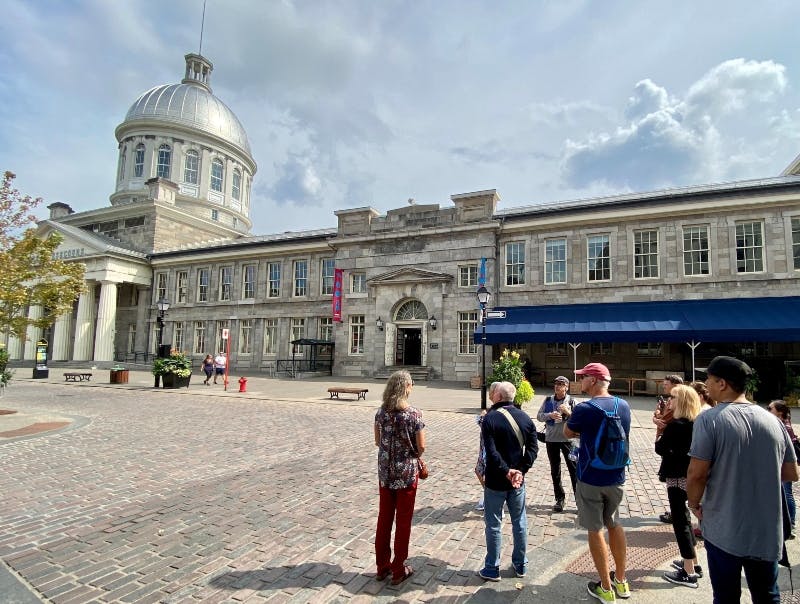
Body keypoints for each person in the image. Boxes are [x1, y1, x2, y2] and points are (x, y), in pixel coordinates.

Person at [687, 356, 798, 604]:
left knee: (726, 596)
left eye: (709, 379)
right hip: (766, 530)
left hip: (725, 527)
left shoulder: (710, 419)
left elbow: (697, 473)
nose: (706, 384)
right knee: (768, 596)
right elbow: (792, 473)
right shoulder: (773, 421)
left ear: (722, 384)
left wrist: (693, 504)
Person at [565, 362, 631, 602]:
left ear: (593, 380)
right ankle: (621, 581)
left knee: (595, 529)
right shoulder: (622, 405)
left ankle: (605, 586)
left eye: (583, 377)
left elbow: (568, 433)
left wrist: (569, 418)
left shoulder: (585, 408)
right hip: (616, 475)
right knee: (615, 523)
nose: (580, 381)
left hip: (590, 476)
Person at [477, 381, 538, 582]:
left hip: (496, 479)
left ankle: (492, 568)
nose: (491, 395)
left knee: (494, 524)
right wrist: (521, 471)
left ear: (500, 397)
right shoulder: (525, 418)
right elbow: (532, 449)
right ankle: (520, 564)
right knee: (519, 521)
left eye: (494, 393)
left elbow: (491, 452)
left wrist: (506, 471)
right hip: (517, 481)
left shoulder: (490, 419)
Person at [374, 370, 426, 585]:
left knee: (384, 519)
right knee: (403, 521)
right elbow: (421, 446)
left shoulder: (380, 413)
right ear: (406, 387)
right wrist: (414, 454)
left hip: (386, 473)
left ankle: (382, 566)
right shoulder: (413, 414)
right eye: (411, 384)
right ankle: (398, 569)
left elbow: (377, 441)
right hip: (406, 474)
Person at [656, 384, 703, 588]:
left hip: (676, 475)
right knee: (684, 517)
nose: (669, 401)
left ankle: (689, 573)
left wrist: (660, 430)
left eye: (673, 398)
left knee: (680, 521)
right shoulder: (697, 422)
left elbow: (660, 448)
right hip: (690, 475)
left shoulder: (677, 424)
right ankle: (693, 561)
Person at [536, 375, 577, 512]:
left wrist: (568, 412)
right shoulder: (548, 400)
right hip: (551, 440)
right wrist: (550, 416)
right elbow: (539, 416)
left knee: (574, 470)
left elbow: (578, 420)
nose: (557, 386)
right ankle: (559, 499)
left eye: (561, 384)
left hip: (568, 440)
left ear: (566, 387)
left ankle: (579, 500)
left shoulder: (572, 401)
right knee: (555, 471)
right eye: (556, 384)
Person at [654, 374, 684, 523]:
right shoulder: (671, 400)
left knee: (676, 486)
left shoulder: (678, 401)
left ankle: (677, 512)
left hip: (671, 449)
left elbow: (664, 421)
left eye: (666, 384)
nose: (664, 386)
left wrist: (656, 418)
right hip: (669, 445)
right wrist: (657, 413)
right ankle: (676, 510)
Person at [768, 400, 799, 539]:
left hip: (784, 465)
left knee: (787, 493)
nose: (768, 411)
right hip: (784, 464)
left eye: (770, 409)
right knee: (787, 493)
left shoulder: (783, 426)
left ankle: (790, 524)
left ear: (779, 412)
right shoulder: (785, 424)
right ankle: (790, 522)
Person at [474, 382, 499, 511]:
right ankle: (488, 495)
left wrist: (482, 417)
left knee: (488, 473)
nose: (489, 394)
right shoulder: (492, 408)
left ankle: (493, 501)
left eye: (491, 391)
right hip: (484, 447)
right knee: (479, 471)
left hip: (491, 448)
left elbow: (488, 426)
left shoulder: (497, 410)